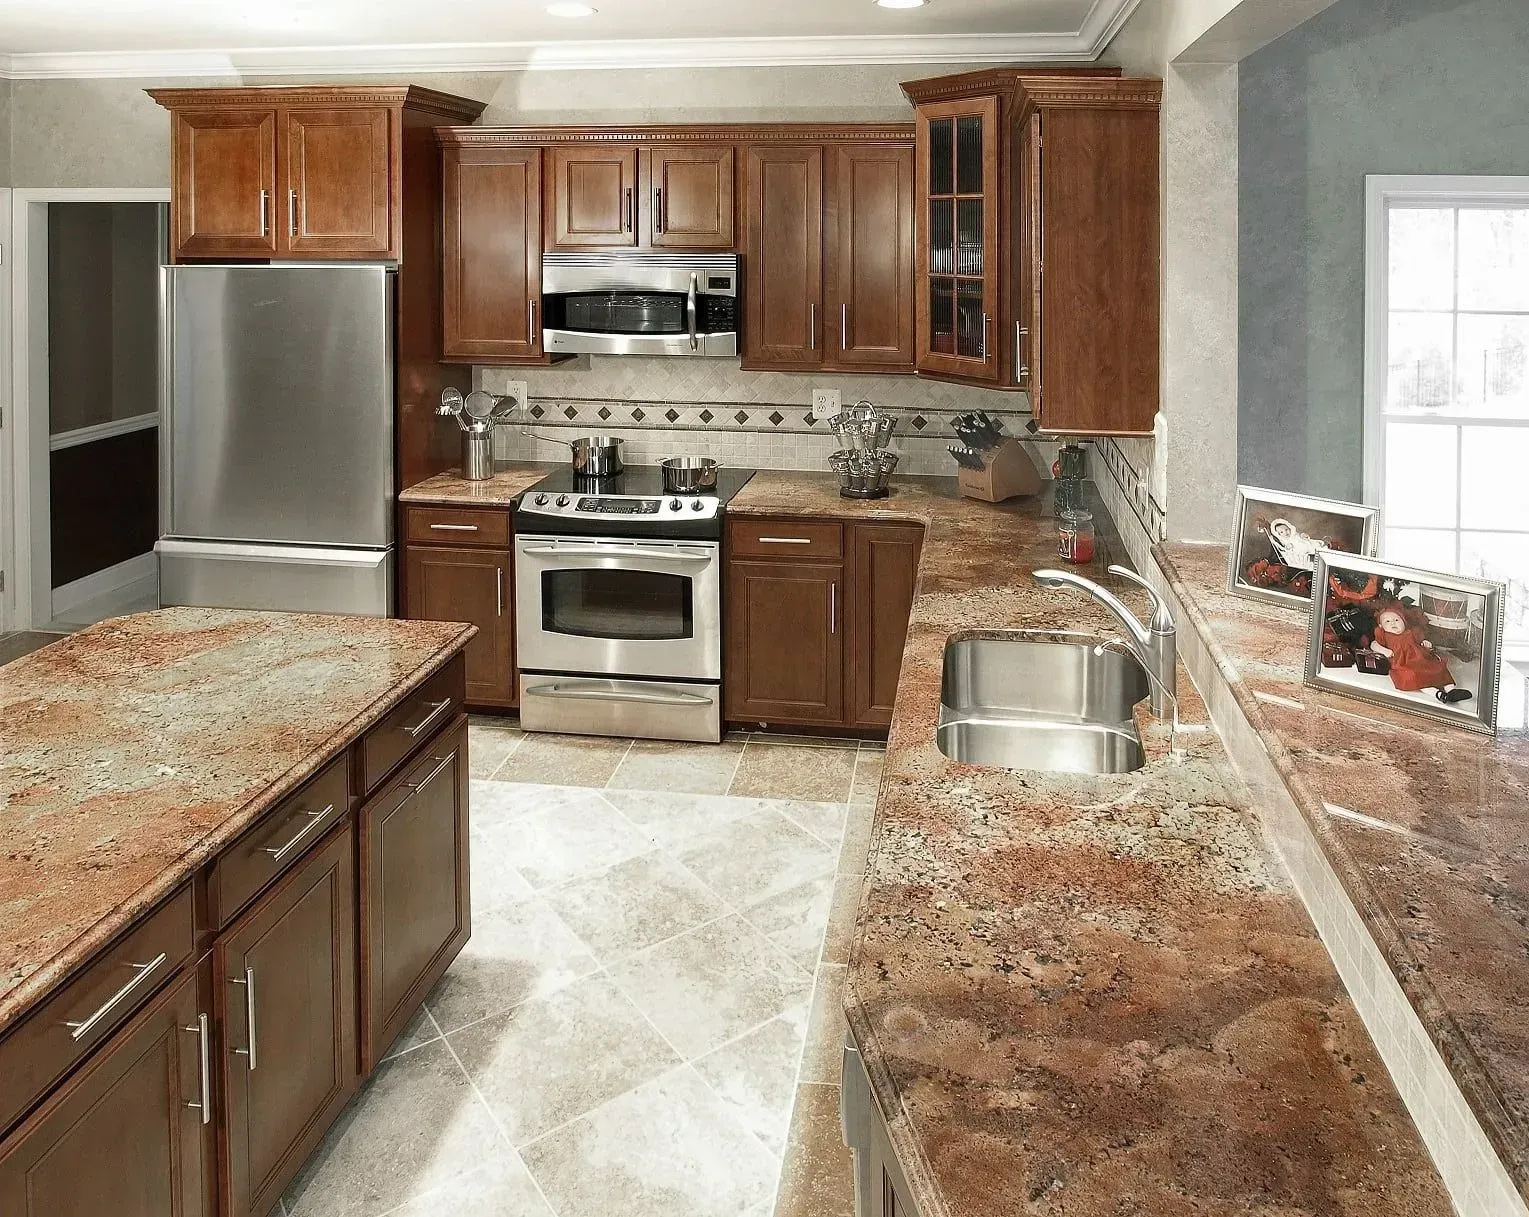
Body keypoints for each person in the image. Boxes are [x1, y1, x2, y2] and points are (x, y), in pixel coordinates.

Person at [1369, 603, 1472, 704]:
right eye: (1387, 621)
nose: (1393, 623)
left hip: (1421, 659)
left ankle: (1451, 690)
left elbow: (1421, 641)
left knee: (1439, 668)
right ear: (1381, 626)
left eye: (1397, 620)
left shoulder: (1411, 632)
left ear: (1404, 623)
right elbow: (1373, 644)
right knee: (1414, 676)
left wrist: (1426, 644)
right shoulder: (1384, 635)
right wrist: (1384, 651)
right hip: (1403, 663)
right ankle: (1438, 694)